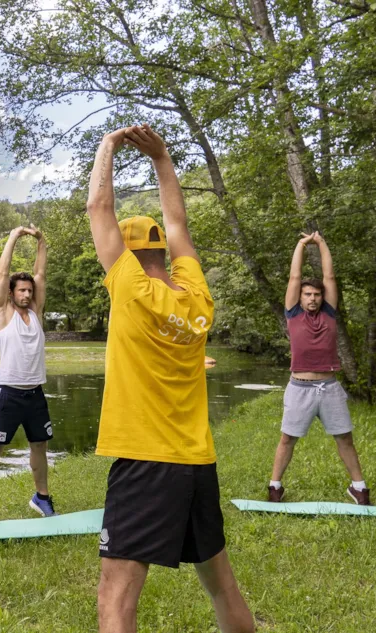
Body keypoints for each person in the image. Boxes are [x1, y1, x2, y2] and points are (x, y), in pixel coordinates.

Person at [87, 125, 254, 633]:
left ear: (131, 254)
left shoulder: (131, 287)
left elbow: (99, 210)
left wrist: (108, 146)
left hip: (145, 460)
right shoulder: (196, 296)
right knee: (221, 584)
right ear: (164, 252)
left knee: (115, 601)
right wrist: (162, 158)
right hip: (196, 461)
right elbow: (178, 222)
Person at [267, 232, 369, 505]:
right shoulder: (293, 313)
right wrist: (301, 244)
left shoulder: (329, 313)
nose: (312, 298)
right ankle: (275, 487)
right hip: (300, 387)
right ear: (300, 298)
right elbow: (294, 277)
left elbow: (330, 277)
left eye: (316, 295)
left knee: (344, 437)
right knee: (287, 438)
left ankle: (359, 488)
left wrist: (322, 243)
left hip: (330, 388)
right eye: (307, 294)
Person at [0, 224, 55, 523]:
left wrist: (41, 241)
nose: (26, 294)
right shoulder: (3, 313)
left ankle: (42, 497)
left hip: (35, 393)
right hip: (8, 393)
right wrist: (13, 236)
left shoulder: (36, 314)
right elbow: (1, 273)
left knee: (40, 445)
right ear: (11, 293)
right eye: (21, 290)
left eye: (29, 290)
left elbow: (41, 274)